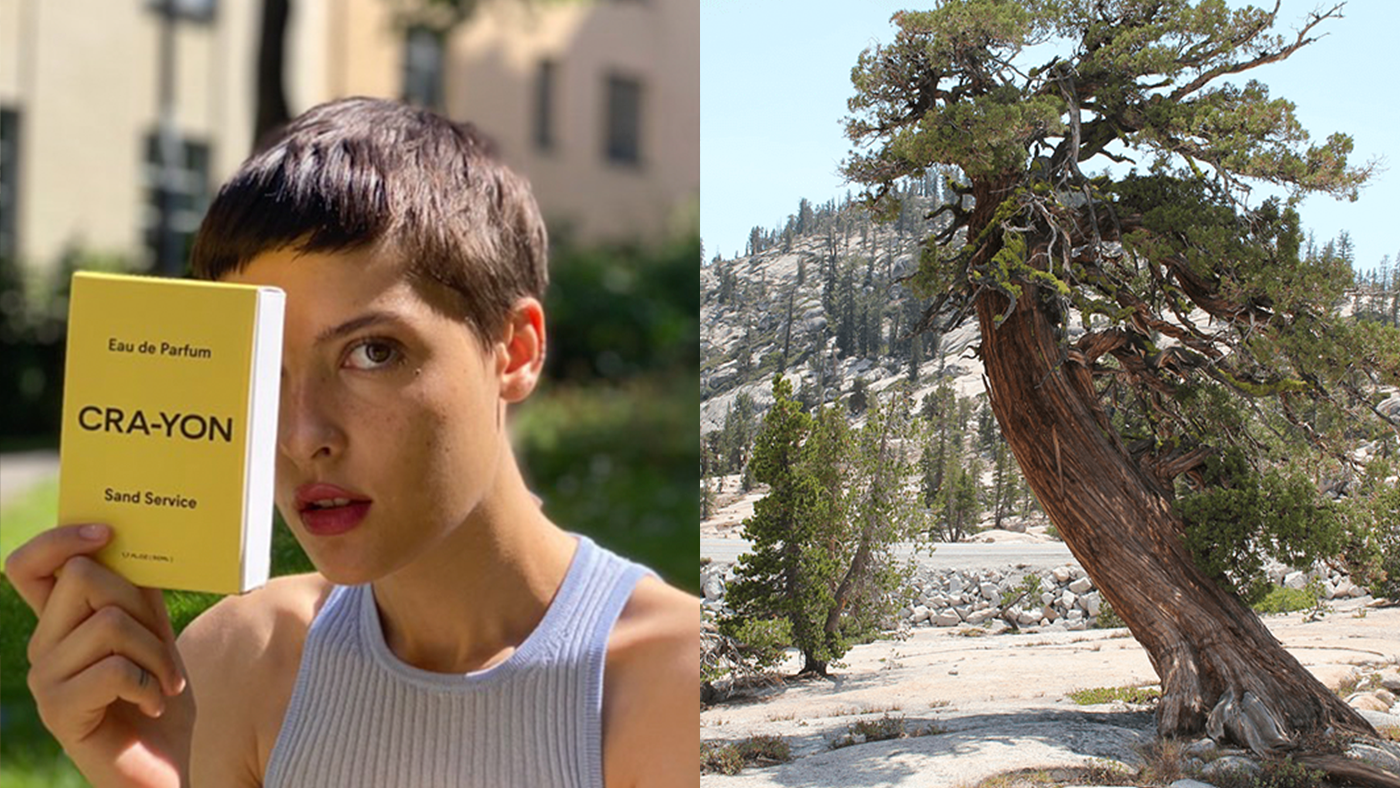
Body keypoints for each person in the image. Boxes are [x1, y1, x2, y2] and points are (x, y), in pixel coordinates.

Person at [5, 97, 699, 788]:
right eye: (258, 370)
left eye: (372, 353)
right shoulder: (235, 662)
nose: (303, 436)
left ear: (514, 351)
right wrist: (152, 778)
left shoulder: (678, 682)